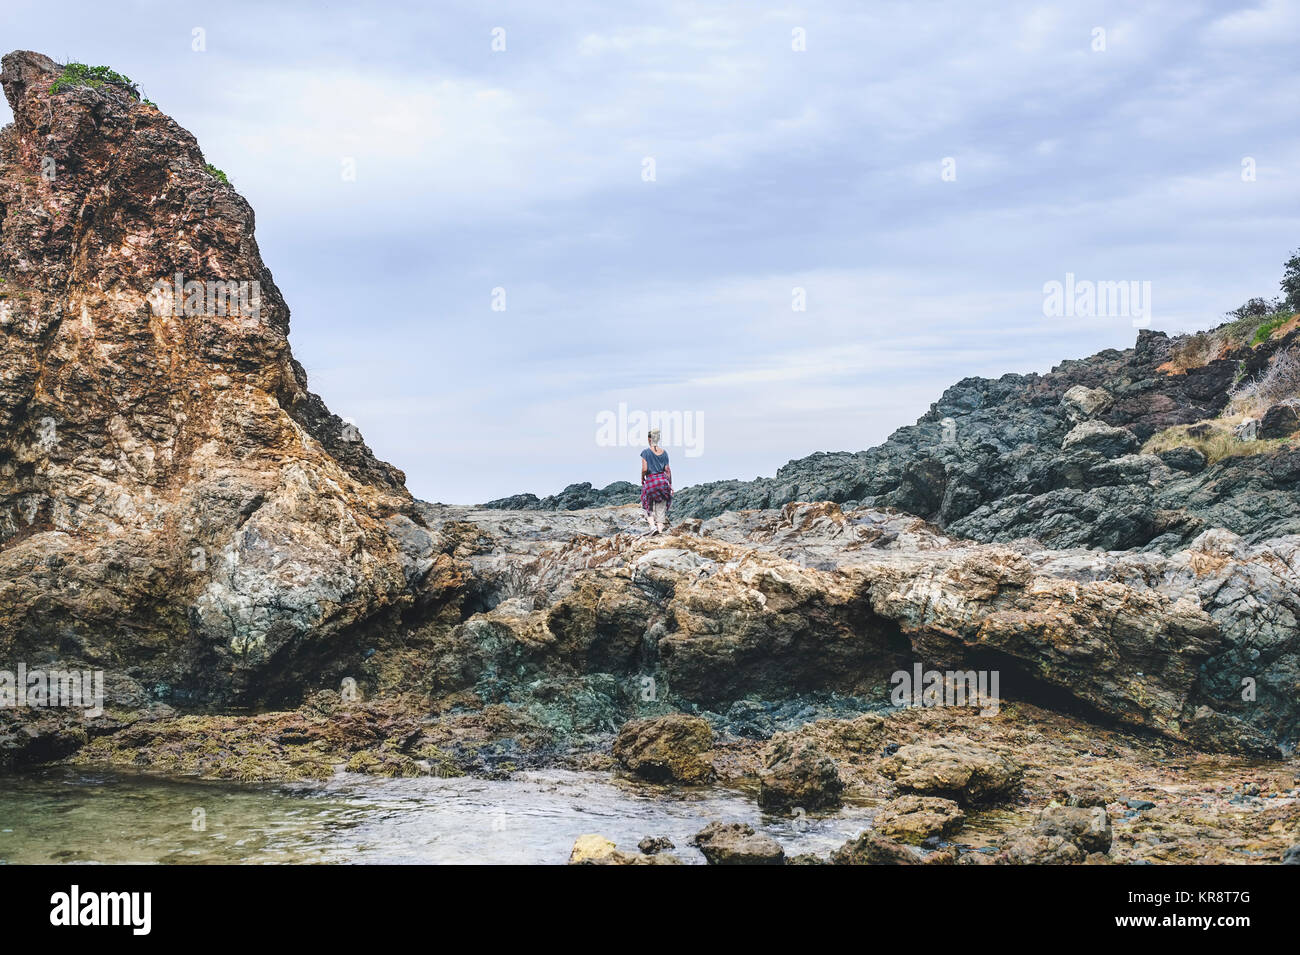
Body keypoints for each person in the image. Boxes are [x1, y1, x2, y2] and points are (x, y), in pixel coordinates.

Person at [639, 429, 672, 533]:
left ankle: (652, 527)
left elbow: (644, 469)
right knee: (661, 508)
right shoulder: (664, 453)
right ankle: (660, 531)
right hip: (663, 482)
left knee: (647, 505)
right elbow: (667, 470)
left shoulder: (646, 452)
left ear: (649, 439)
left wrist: (642, 477)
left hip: (651, 481)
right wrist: (670, 484)